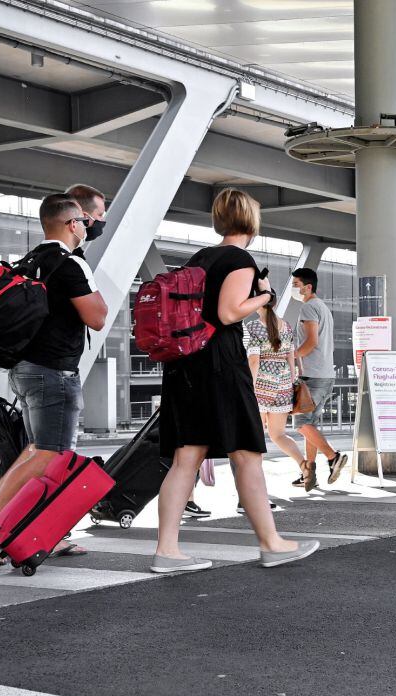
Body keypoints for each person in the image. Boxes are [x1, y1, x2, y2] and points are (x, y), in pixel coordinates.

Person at [152, 188, 317, 572]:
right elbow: (229, 313)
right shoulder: (239, 259)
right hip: (219, 364)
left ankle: (166, 551)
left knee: (185, 459)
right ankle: (272, 544)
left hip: (185, 363)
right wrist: (265, 297)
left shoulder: (200, 257)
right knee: (246, 453)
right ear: (251, 222)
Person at [0, 193, 108, 564]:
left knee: (38, 451)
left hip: (25, 370)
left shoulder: (28, 262)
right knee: (49, 455)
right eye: (83, 221)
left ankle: (36, 528)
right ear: (72, 224)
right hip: (53, 373)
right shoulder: (71, 263)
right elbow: (97, 317)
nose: (86, 226)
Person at [244, 291, 316, 491]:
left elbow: (254, 360)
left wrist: (250, 387)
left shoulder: (254, 326)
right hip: (283, 384)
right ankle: (304, 465)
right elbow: (291, 357)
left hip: (261, 385)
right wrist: (291, 382)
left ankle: (255, 487)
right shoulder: (286, 326)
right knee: (278, 434)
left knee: (255, 436)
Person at [290, 267, 347, 486]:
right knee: (310, 425)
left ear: (308, 287)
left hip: (313, 376)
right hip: (324, 375)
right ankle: (309, 474)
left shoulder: (308, 307)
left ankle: (333, 457)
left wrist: (292, 356)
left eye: (296, 284)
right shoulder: (322, 307)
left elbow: (311, 341)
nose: (294, 288)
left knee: (300, 423)